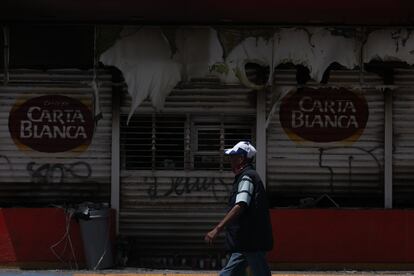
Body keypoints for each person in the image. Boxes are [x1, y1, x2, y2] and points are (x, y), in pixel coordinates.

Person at [204, 141, 273, 276]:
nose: (230, 160)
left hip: (251, 241)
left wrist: (217, 229)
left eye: (233, 157)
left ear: (241, 159)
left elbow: (240, 205)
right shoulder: (247, 176)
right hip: (245, 242)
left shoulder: (247, 177)